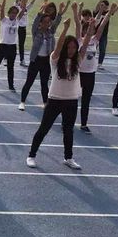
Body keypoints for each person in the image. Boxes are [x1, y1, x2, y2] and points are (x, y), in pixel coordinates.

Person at [26, 17, 93, 170]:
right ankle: (31, 155)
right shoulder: (55, 60)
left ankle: (68, 158)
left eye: (73, 47)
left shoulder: (78, 60)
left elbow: (86, 42)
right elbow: (58, 46)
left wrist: (90, 28)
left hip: (71, 100)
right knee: (44, 128)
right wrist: (65, 29)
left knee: (68, 131)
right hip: (55, 99)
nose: (71, 50)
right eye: (68, 47)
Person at [77, 2, 118, 133]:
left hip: (90, 75)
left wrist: (109, 12)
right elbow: (77, 24)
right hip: (78, 74)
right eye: (87, 30)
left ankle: (83, 124)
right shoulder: (79, 40)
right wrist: (77, 10)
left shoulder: (95, 40)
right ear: (83, 31)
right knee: (71, 99)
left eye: (92, 30)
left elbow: (102, 26)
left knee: (86, 100)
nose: (90, 31)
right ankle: (66, 122)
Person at [18, 1, 67, 110]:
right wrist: (41, 12)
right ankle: (22, 102)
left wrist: (59, 12)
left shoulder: (51, 32)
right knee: (29, 82)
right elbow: (35, 22)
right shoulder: (36, 31)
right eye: (44, 22)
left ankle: (45, 103)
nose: (46, 24)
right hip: (35, 60)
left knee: (44, 83)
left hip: (46, 61)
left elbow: (56, 22)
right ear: (40, 23)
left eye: (48, 22)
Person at [17, 0, 41, 67]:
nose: (25, 2)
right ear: (20, 1)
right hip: (17, 27)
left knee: (21, 44)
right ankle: (6, 58)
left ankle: (22, 60)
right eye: (24, 0)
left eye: (26, 0)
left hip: (23, 29)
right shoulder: (17, 7)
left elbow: (33, 1)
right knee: (11, 43)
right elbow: (17, 0)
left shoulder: (26, 9)